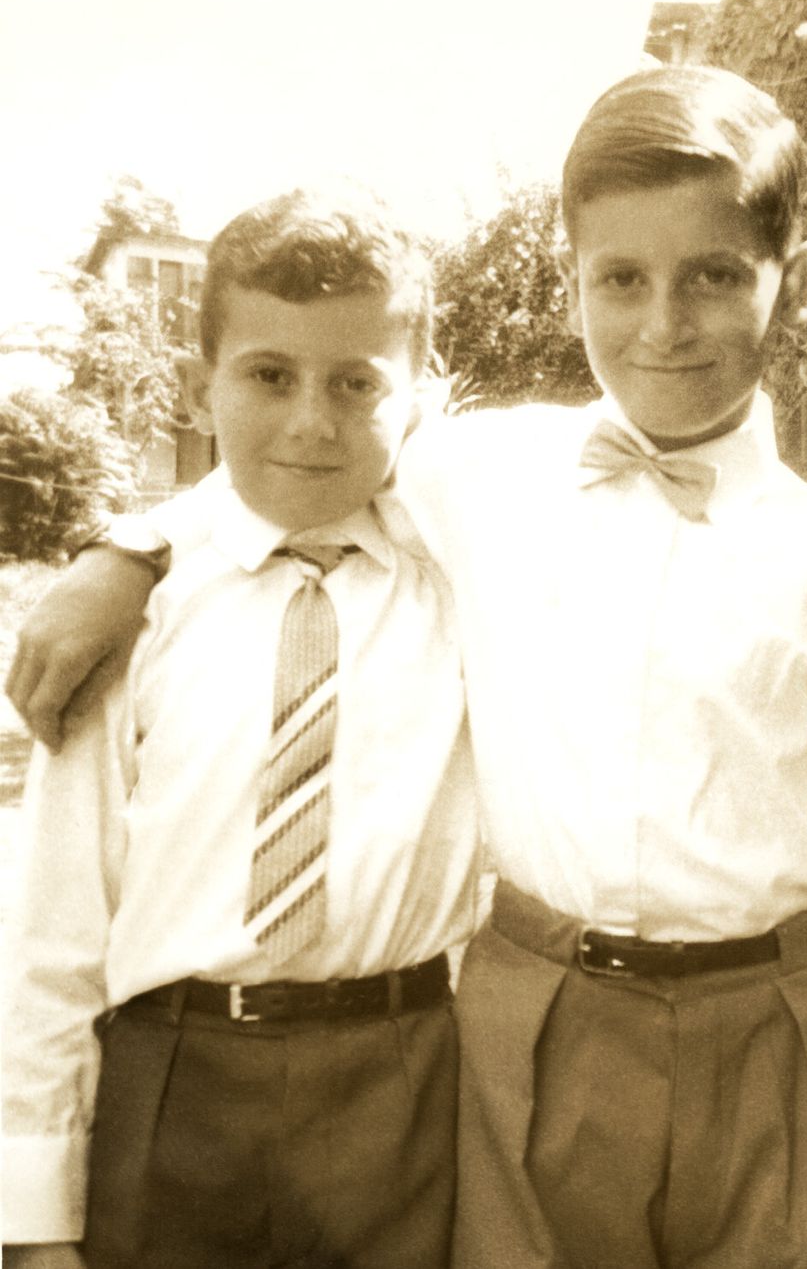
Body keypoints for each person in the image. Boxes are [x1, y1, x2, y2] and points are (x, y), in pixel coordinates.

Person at [4, 68, 807, 1269]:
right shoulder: (484, 473)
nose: (663, 324)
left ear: (794, 283)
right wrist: (127, 546)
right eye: (620, 277)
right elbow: (297, 456)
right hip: (530, 1034)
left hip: (753, 1039)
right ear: (573, 284)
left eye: (713, 274)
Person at [2, 188, 480, 1269]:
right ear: (198, 382)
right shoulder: (134, 618)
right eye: (269, 375)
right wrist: (33, 1223)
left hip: (400, 1078)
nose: (312, 419)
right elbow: (55, 930)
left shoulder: (464, 589)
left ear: (418, 404)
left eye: (357, 383)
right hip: (173, 1078)